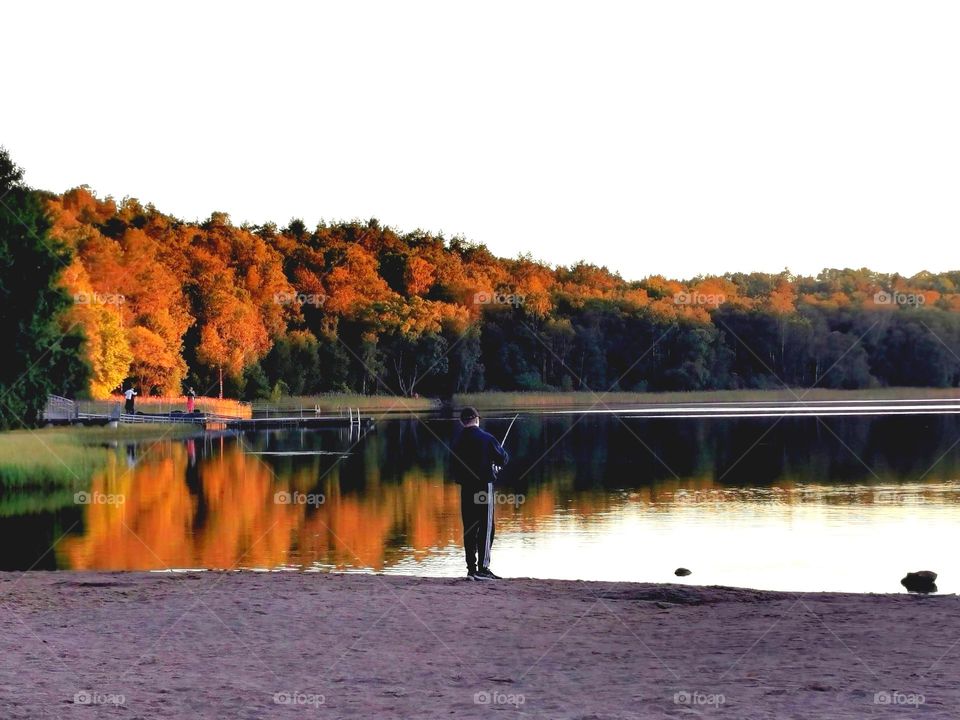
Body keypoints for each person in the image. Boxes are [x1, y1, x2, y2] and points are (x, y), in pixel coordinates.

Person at [450, 406, 509, 580]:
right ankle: (483, 569)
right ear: (477, 419)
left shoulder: (457, 441)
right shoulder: (487, 438)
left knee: (469, 528)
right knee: (487, 527)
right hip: (484, 487)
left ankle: (471, 569)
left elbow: (454, 466)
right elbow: (503, 458)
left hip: (466, 489)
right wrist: (493, 468)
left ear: (462, 421)